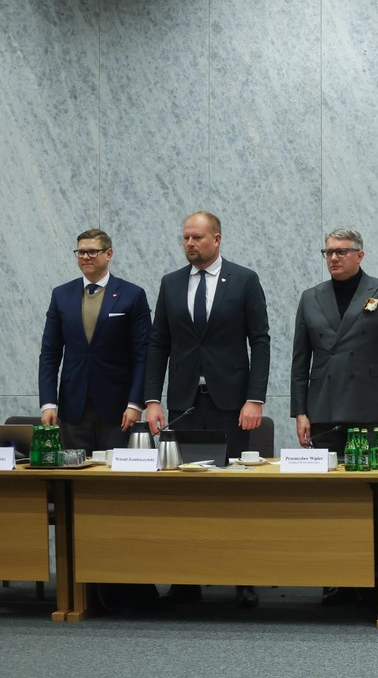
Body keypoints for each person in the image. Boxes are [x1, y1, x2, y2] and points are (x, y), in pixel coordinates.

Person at [144, 211, 270, 610]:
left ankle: (243, 579)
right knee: (185, 495)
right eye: (185, 237)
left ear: (217, 239)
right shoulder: (171, 283)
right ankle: (186, 581)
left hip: (231, 403)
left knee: (235, 495)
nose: (190, 244)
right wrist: (151, 399)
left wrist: (255, 398)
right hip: (184, 403)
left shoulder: (244, 280)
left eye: (197, 237)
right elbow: (158, 344)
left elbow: (260, 341)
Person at [291, 228, 378, 607]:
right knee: (330, 499)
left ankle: (374, 578)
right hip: (323, 409)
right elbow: (299, 361)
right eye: (328, 252)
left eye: (342, 251)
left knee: (371, 497)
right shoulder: (311, 297)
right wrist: (299, 411)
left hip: (371, 410)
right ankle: (337, 575)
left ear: (360, 255)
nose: (334, 257)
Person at [39, 229, 151, 451]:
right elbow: (50, 354)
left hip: (118, 409)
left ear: (108, 254)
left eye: (92, 251)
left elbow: (143, 355)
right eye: (81, 252)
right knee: (73, 470)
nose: (85, 257)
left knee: (116, 472)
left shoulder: (132, 294)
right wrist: (48, 403)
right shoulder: (61, 295)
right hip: (73, 408)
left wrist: (136, 403)